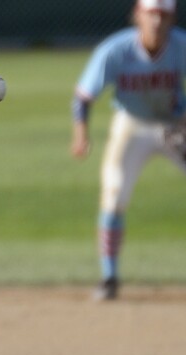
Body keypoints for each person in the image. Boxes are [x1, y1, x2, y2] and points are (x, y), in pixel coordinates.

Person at [71, 0, 186, 301]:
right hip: (132, 125)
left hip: (174, 125)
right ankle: (109, 277)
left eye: (162, 14)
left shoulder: (181, 46)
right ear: (137, 15)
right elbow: (83, 97)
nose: (157, 21)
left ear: (172, 17)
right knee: (115, 191)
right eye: (151, 14)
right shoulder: (115, 50)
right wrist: (80, 135)